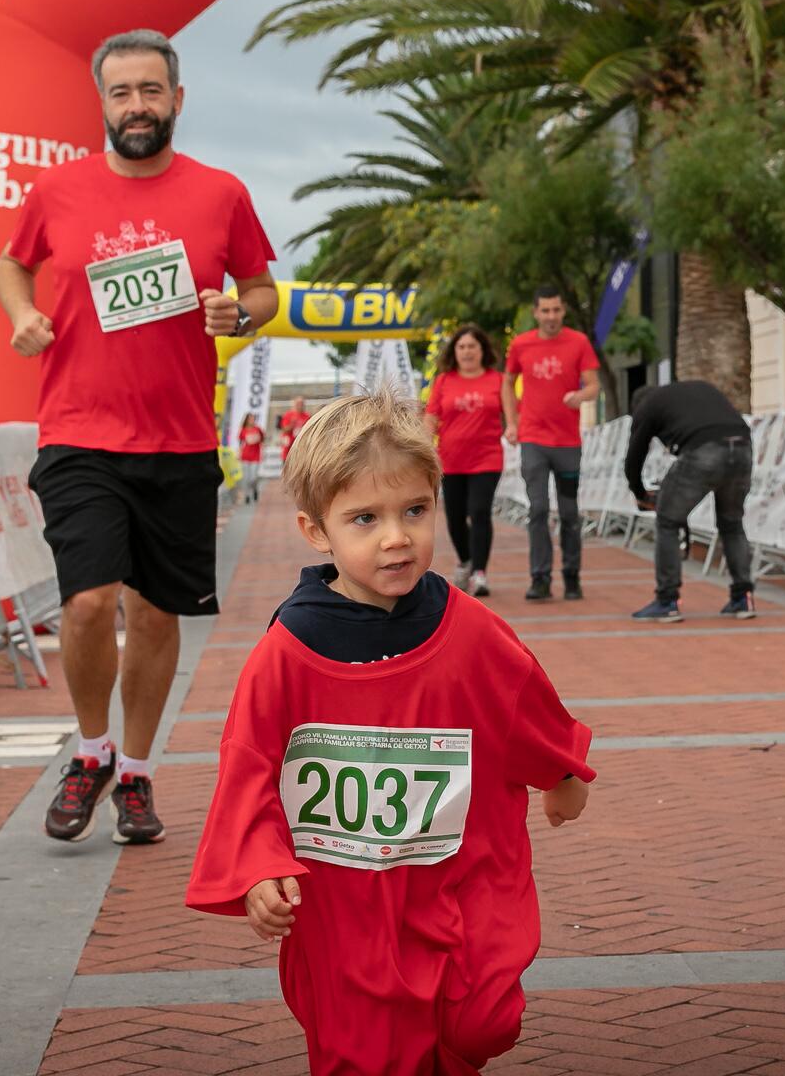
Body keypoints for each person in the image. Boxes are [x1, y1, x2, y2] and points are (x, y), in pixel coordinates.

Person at [185, 391, 593, 1075]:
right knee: (367, 1054)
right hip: (348, 900)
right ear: (318, 531)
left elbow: (522, 701)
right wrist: (256, 864)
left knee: (487, 1021)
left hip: (461, 877)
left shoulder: (469, 628)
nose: (395, 537)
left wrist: (560, 772)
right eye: (364, 519)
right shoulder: (288, 650)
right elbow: (249, 763)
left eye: (414, 511)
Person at [0, 29, 278, 847]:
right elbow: (12, 264)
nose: (137, 107)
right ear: (103, 104)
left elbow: (260, 288)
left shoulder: (221, 195)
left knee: (156, 616)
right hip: (79, 432)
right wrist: (22, 315)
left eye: (151, 91)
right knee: (87, 602)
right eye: (121, 93)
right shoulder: (58, 191)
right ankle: (92, 752)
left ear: (177, 99)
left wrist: (239, 314)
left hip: (179, 438)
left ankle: (140, 775)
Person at [624, 381, 757, 623]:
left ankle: (667, 601)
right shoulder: (695, 389)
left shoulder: (647, 406)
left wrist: (641, 494)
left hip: (703, 451)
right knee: (732, 523)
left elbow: (634, 456)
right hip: (742, 447)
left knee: (667, 520)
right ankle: (742, 597)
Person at [501, 288, 600, 601]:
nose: (551, 317)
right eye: (545, 311)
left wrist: (580, 396)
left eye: (556, 310)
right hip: (533, 439)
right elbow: (506, 382)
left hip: (568, 443)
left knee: (570, 512)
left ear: (564, 310)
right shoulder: (521, 344)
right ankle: (540, 578)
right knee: (539, 509)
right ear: (536, 312)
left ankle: (572, 576)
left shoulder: (579, 342)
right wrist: (512, 423)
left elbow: (594, 385)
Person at [425, 324, 504, 598]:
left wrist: (517, 429)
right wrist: (422, 445)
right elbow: (431, 418)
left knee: (480, 511)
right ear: (454, 351)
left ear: (482, 350)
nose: (467, 351)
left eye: (472, 346)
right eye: (461, 347)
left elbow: (514, 413)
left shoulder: (498, 380)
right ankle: (466, 560)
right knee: (456, 518)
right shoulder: (444, 381)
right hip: (451, 460)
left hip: (487, 458)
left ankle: (480, 573)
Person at [235, 412, 265, 506]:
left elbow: (262, 440)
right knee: (246, 478)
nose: (252, 420)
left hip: (255, 456)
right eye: (250, 418)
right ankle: (247, 495)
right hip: (245, 456)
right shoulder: (243, 430)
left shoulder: (258, 429)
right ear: (247, 420)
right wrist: (239, 454)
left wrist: (263, 451)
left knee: (253, 477)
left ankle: (255, 488)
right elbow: (241, 443)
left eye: (253, 418)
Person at [279, 396, 310, 465]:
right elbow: (284, 429)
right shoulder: (288, 415)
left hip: (301, 448)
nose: (300, 405)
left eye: (302, 403)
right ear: (294, 404)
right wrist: (292, 424)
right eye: (298, 403)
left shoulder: (307, 416)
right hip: (289, 449)